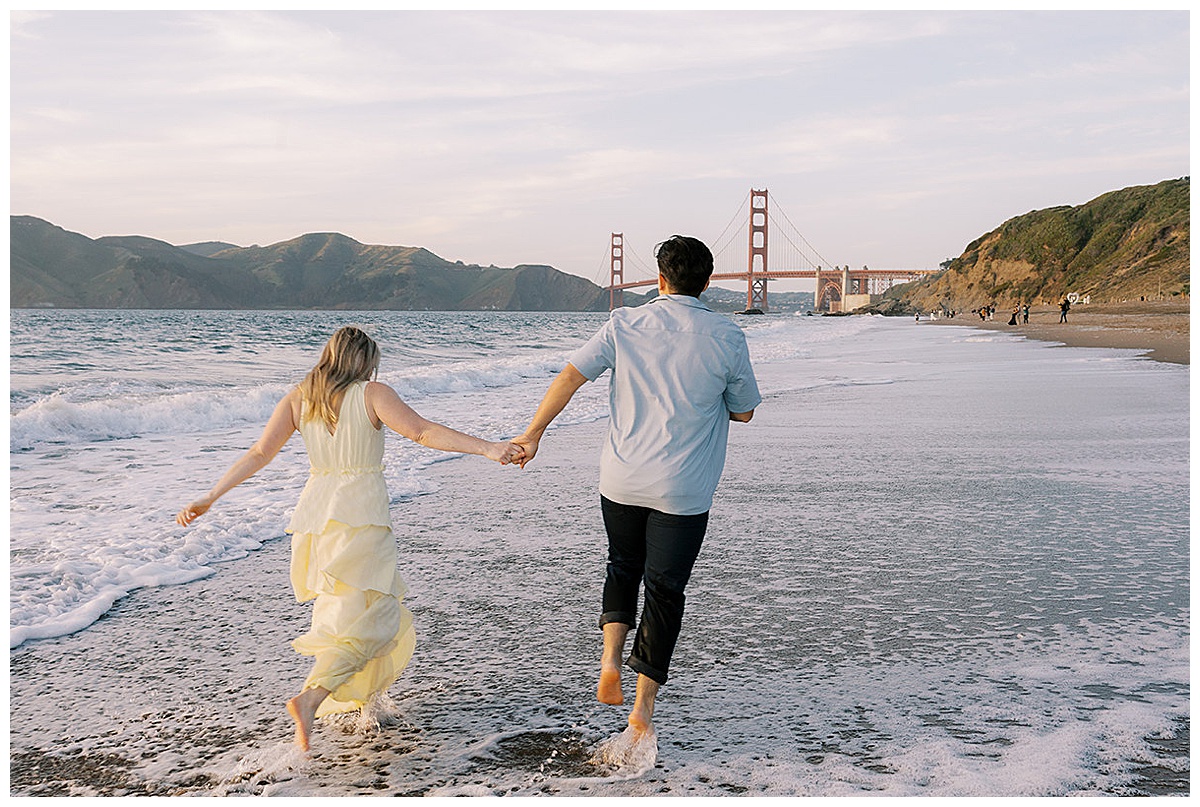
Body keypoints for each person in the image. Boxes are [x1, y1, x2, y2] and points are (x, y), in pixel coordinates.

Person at [176, 326, 523, 751]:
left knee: (346, 614)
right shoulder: (373, 393)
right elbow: (421, 432)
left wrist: (212, 495)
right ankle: (313, 697)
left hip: (317, 519)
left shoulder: (300, 397)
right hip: (360, 516)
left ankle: (366, 705)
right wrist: (487, 447)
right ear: (364, 360)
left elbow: (259, 453)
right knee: (379, 617)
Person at [514, 235, 761, 739]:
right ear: (707, 283)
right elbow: (744, 410)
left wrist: (532, 433)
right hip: (684, 489)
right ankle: (642, 711)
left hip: (622, 479)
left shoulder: (623, 323)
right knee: (665, 592)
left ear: (660, 280)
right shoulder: (727, 334)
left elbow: (569, 377)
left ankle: (609, 659)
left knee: (622, 567)